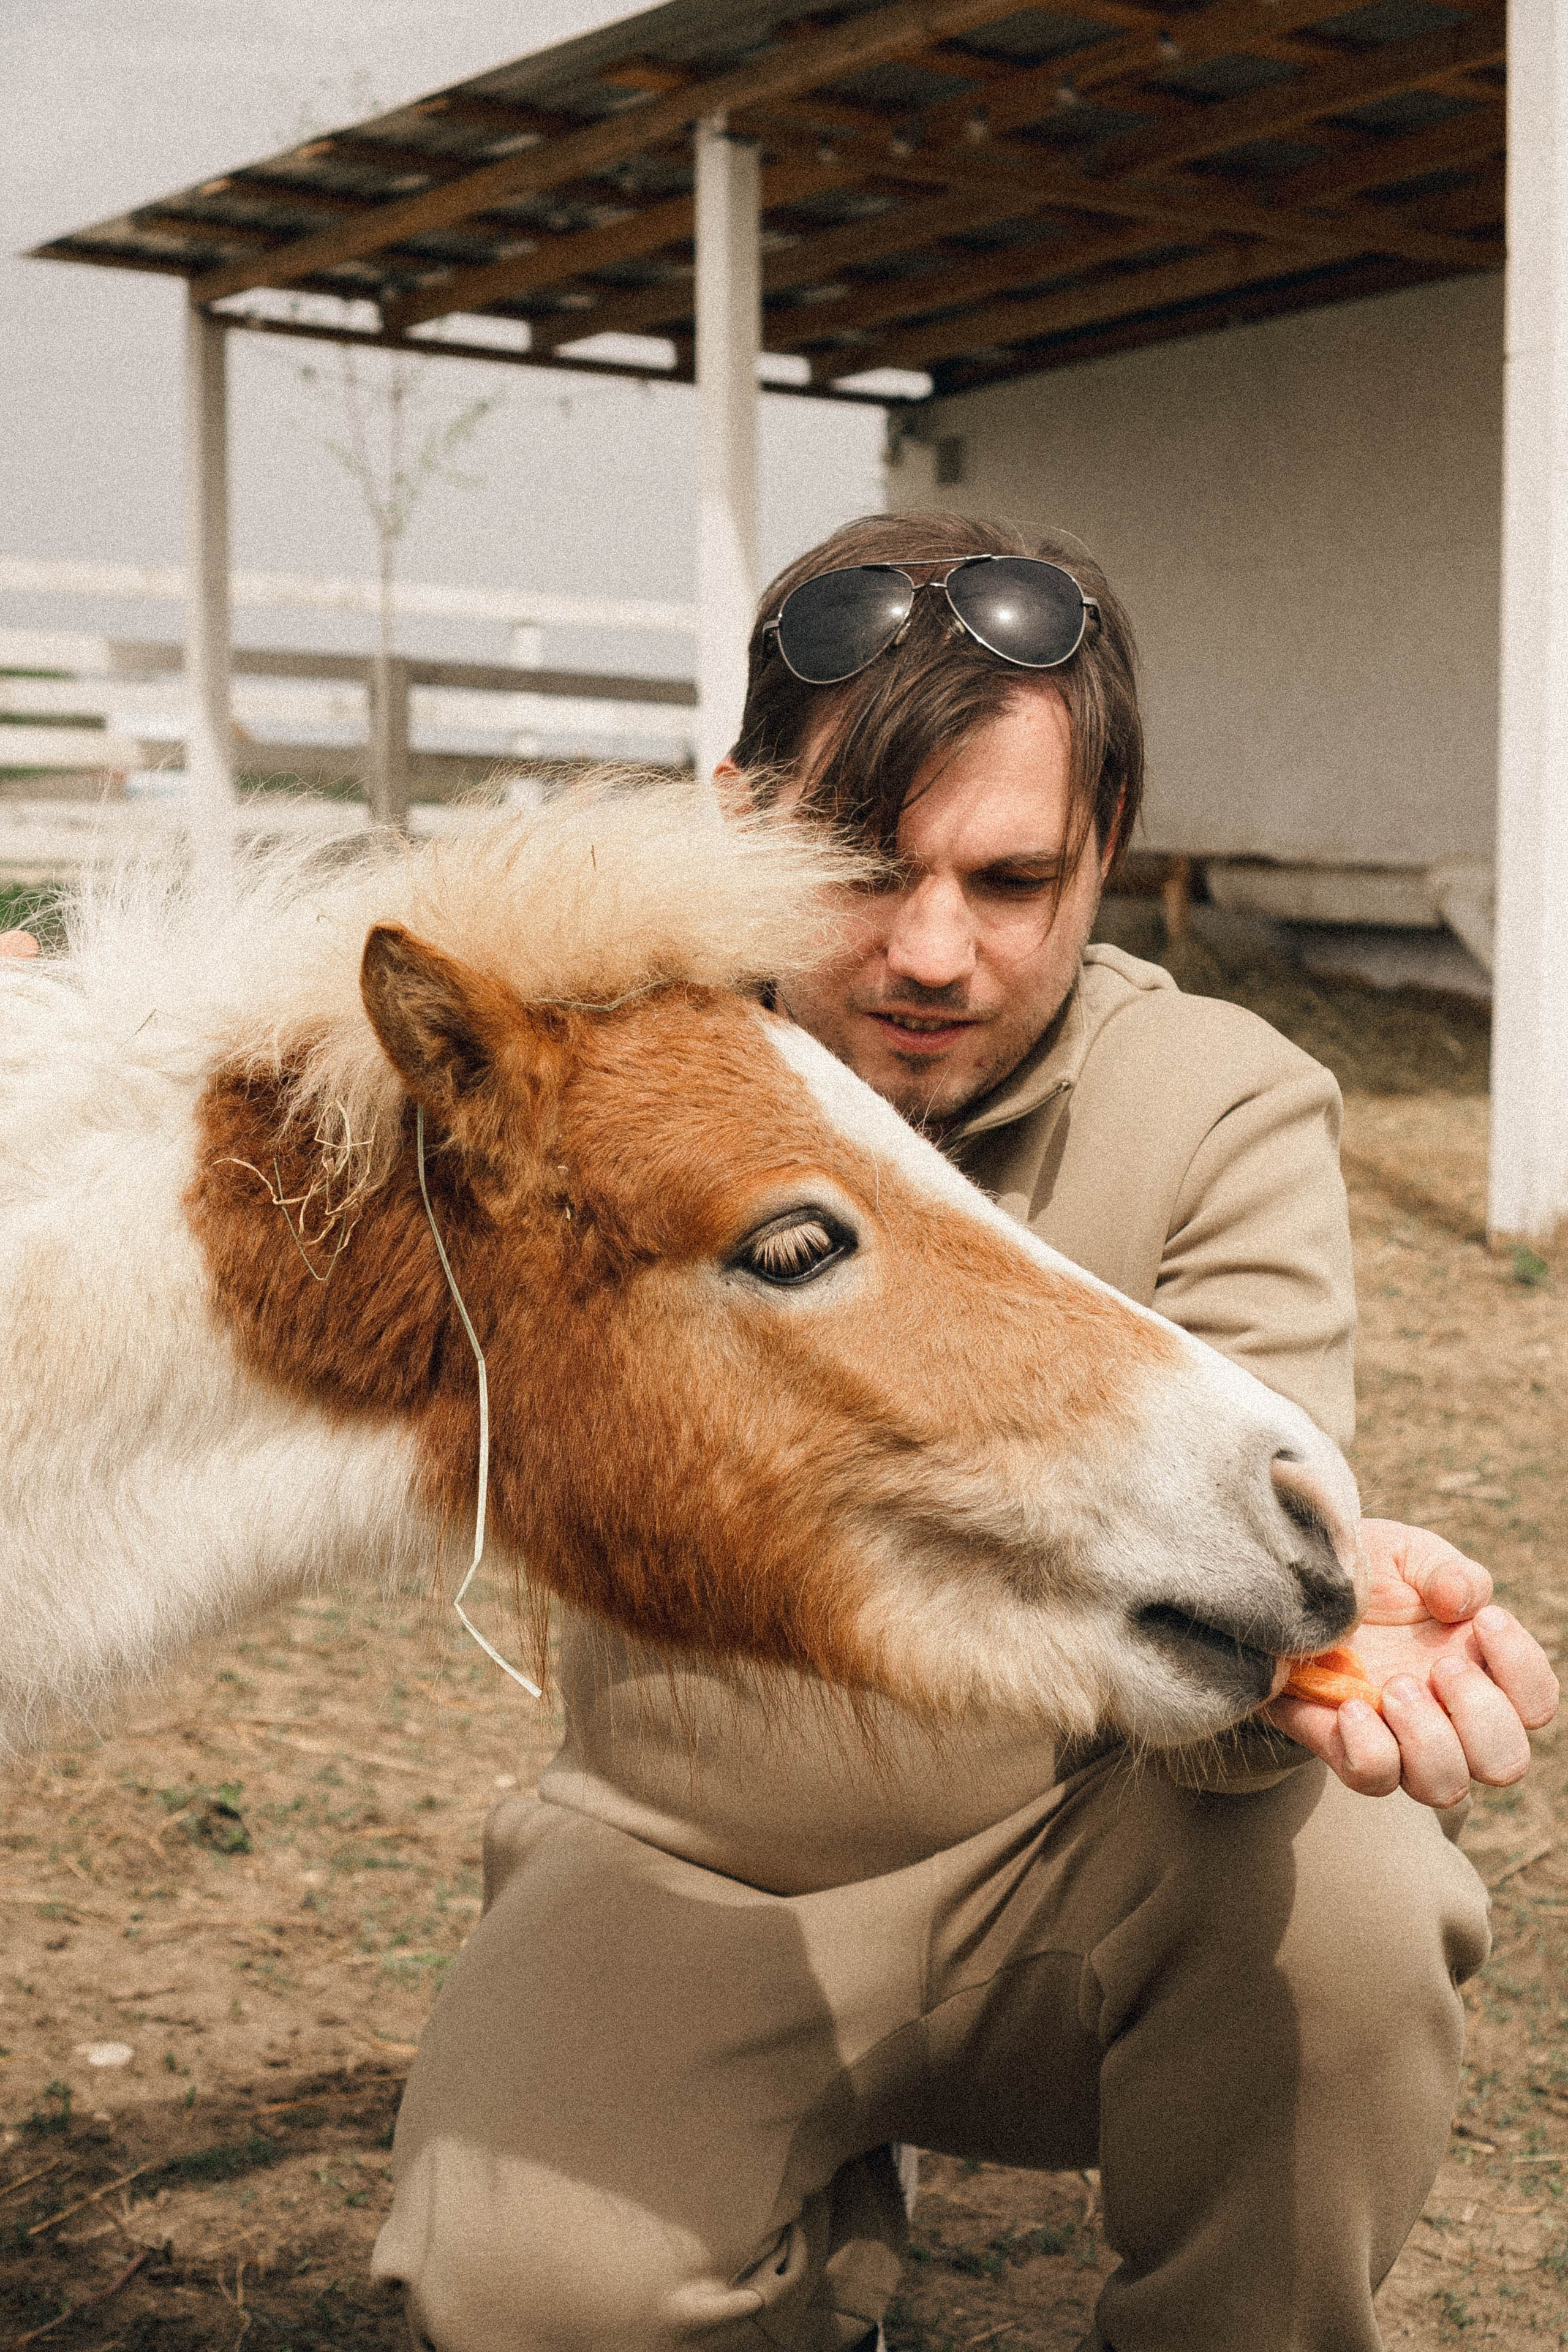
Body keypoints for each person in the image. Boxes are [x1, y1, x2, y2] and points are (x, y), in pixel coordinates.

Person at [5, 515, 1556, 2352]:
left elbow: (1248, 1609)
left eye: (1009, 879)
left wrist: (1328, 1652)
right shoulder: (611, 1074)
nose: (930, 953)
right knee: (520, 2298)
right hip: (687, 1869)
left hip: (1056, 1878)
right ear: (737, 826)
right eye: (865, 873)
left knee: (1356, 1901)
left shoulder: (1223, 1102)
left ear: (1104, 858)